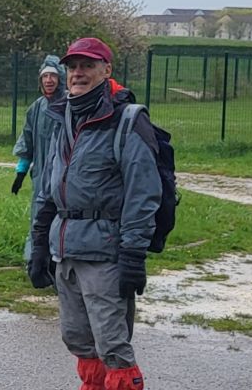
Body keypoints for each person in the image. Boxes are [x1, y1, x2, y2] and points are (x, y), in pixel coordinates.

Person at [29, 38, 162, 390]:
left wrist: (133, 254)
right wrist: (40, 242)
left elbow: (143, 192)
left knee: (113, 346)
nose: (78, 73)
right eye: (72, 66)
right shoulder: (64, 118)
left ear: (107, 70)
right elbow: (49, 185)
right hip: (66, 250)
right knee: (79, 341)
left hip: (105, 253)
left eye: (87, 65)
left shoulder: (126, 121)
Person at [17, 55, 65, 289]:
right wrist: (20, 172)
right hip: (40, 177)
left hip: (64, 175)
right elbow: (28, 140)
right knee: (39, 219)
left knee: (61, 219)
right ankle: (35, 263)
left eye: (53, 76)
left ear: (61, 78)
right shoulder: (36, 108)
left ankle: (58, 267)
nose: (49, 80)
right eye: (45, 76)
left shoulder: (69, 105)